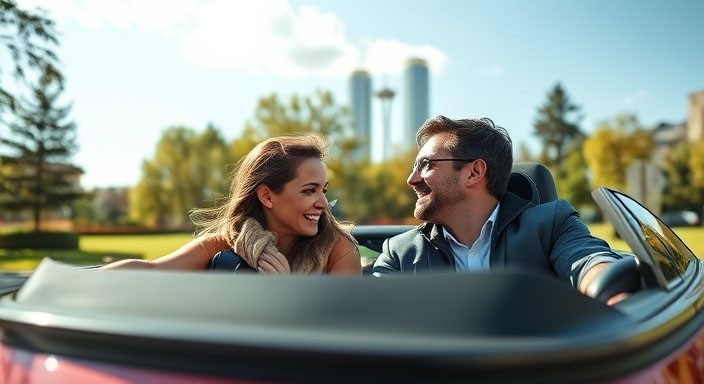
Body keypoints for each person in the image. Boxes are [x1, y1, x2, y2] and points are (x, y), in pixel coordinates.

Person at [372, 115, 627, 303]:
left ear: (474, 172)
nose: (411, 179)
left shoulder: (552, 226)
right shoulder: (399, 254)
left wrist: (612, 296)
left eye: (426, 164)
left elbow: (591, 264)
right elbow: (376, 321)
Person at [103, 134, 361, 275]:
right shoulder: (226, 242)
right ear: (267, 197)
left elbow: (342, 329)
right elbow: (151, 272)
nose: (323, 203)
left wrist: (285, 294)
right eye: (309, 191)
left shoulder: (338, 249)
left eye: (324, 190)